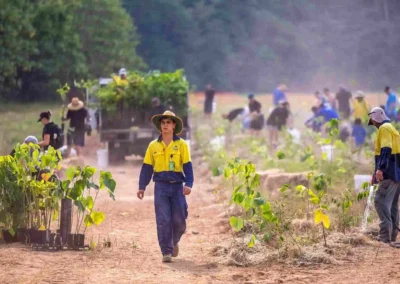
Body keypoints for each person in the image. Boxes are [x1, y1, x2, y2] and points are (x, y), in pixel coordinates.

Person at [137, 110, 193, 263]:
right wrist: (142, 186)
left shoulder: (181, 145)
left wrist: (189, 183)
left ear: (174, 125)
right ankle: (166, 251)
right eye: (163, 122)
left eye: (169, 122)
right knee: (163, 219)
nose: (165, 125)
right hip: (160, 187)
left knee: (180, 220)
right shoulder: (153, 146)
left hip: (177, 187)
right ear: (160, 126)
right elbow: (147, 168)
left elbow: (187, 166)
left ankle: (174, 242)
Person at [368, 107, 400, 244]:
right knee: (392, 204)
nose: (374, 125)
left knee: (380, 202)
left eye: (373, 122)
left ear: (376, 118)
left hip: (388, 172)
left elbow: (386, 149)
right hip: (396, 173)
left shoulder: (385, 128)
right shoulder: (391, 128)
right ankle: (392, 236)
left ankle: (385, 237)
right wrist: (375, 173)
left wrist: (380, 169)